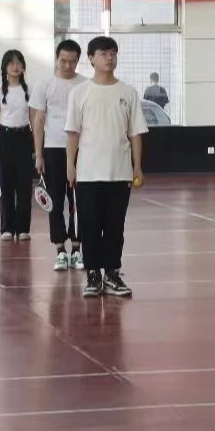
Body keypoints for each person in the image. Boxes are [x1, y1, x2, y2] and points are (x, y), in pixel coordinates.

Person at [66, 36, 147, 298]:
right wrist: (70, 165)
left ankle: (112, 274)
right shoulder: (80, 93)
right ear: (91, 58)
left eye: (113, 53)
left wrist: (137, 167)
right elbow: (73, 133)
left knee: (115, 226)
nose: (109, 58)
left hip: (120, 172)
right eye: (103, 53)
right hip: (88, 172)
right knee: (89, 225)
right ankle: (93, 274)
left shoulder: (128, 92)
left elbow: (135, 133)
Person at [33, 40, 86, 271]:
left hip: (80, 150)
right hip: (53, 149)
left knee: (78, 201)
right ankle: (60, 250)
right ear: (56, 58)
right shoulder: (44, 83)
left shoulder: (85, 84)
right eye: (63, 60)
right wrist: (39, 154)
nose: (67, 65)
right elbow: (39, 120)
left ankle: (77, 248)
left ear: (78, 60)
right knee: (54, 201)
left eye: (72, 61)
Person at [0, 49, 32, 241]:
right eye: (11, 63)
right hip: (5, 138)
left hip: (24, 137)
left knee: (24, 186)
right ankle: (7, 228)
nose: (15, 66)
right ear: (5, 67)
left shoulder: (29, 90)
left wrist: (37, 146)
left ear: (23, 66)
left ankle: (23, 228)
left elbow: (34, 119)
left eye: (18, 62)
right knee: (6, 186)